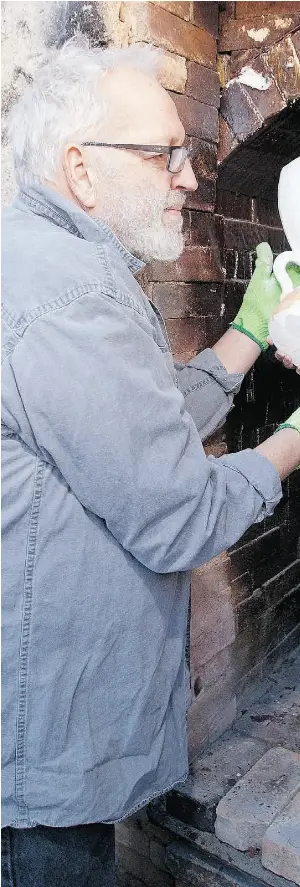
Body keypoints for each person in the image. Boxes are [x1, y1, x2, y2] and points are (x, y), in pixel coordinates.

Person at [2, 36, 300, 887]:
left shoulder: (52, 262)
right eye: (164, 152)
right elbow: (180, 515)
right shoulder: (69, 299)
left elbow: (141, 423)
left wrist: (245, 335)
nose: (191, 176)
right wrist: (294, 441)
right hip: (39, 771)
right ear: (81, 168)